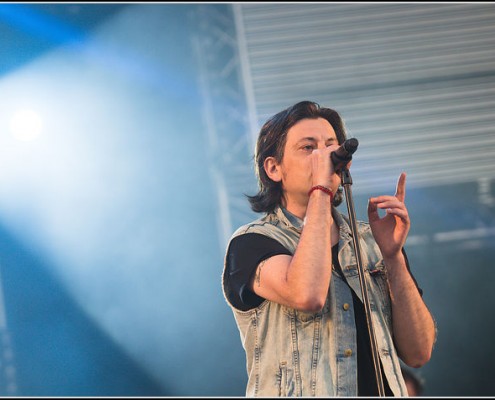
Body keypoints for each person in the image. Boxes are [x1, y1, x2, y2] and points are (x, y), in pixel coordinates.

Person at [221, 100, 436, 397]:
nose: (325, 156)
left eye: (331, 145)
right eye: (308, 148)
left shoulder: (370, 240)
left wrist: (393, 257)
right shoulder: (252, 242)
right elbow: (306, 294)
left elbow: (419, 352)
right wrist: (320, 189)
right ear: (273, 168)